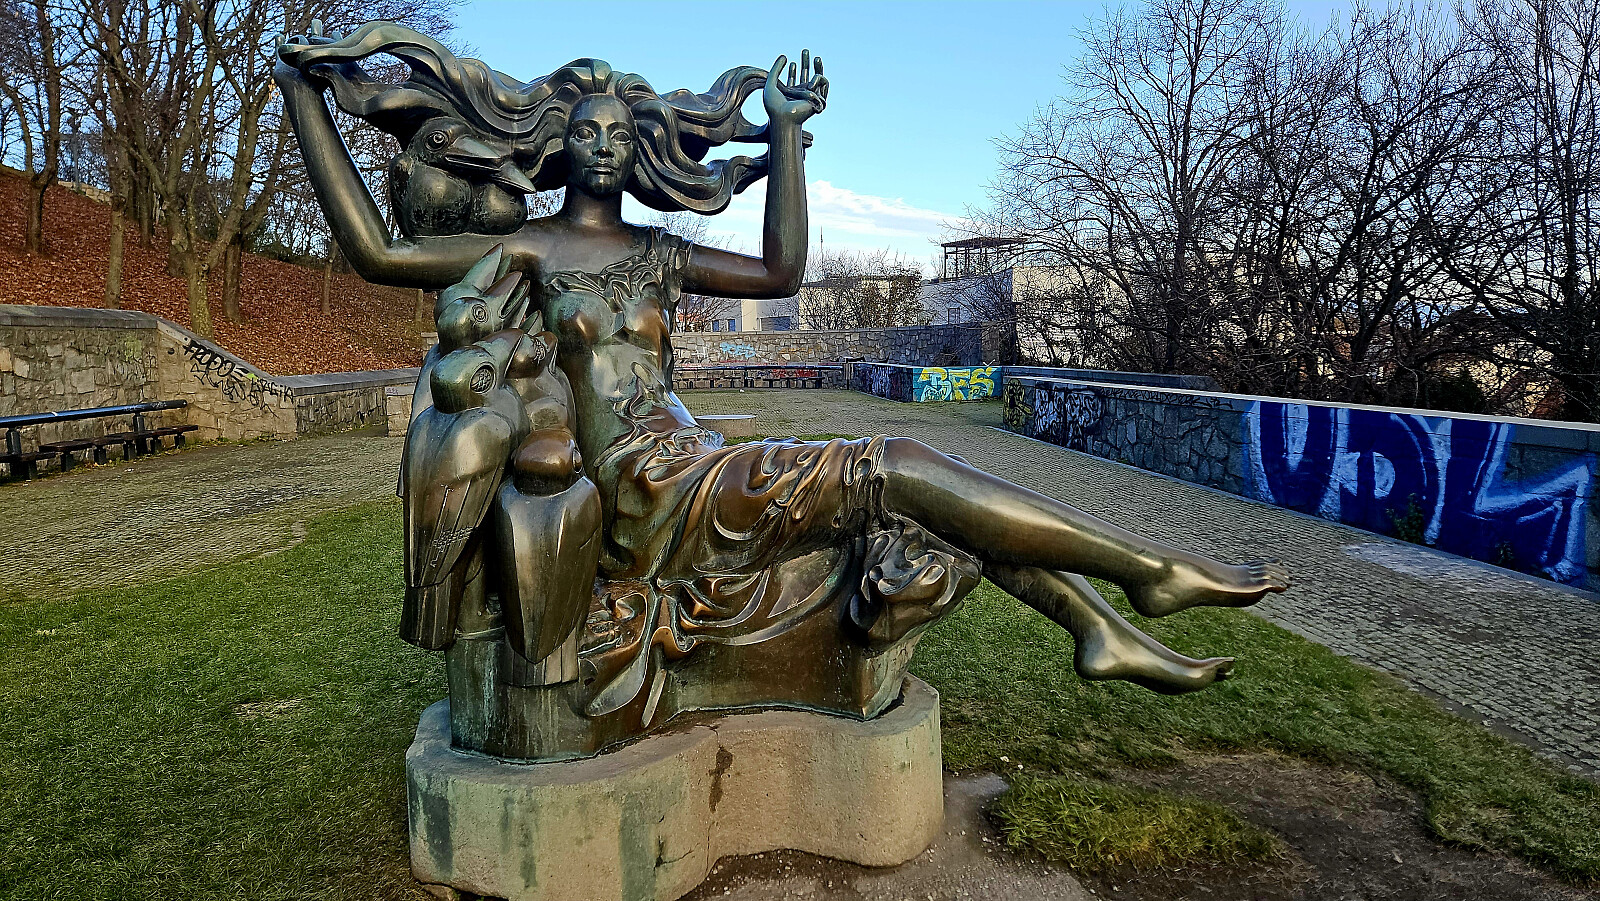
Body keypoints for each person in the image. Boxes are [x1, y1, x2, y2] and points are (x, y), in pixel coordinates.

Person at [275, 24, 1290, 730]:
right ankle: (1142, 573)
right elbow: (376, 250)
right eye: (584, 132)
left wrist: (789, 138)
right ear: (555, 145)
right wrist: (300, 96)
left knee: (914, 496)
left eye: (620, 135)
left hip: (696, 461)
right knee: (897, 464)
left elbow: (779, 272)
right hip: (641, 494)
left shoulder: (660, 254)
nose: (602, 147)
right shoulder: (530, 250)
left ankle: (1097, 621)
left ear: (641, 153)